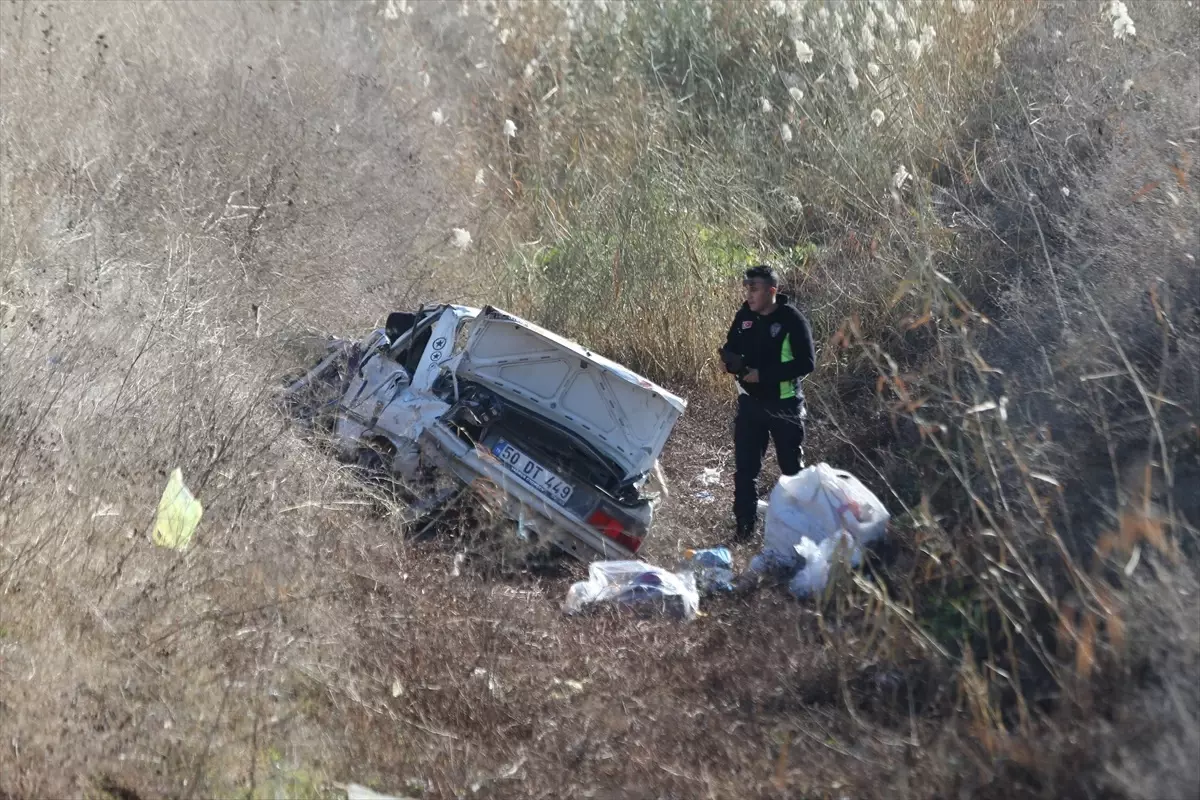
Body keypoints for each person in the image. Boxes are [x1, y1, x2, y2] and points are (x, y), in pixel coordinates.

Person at [719, 265, 816, 542]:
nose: (748, 294)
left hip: (785, 408)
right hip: (750, 405)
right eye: (746, 288)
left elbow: (807, 363)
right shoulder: (744, 315)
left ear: (771, 291)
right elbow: (732, 345)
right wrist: (730, 360)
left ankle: (800, 532)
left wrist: (764, 375)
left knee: (791, 473)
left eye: (754, 289)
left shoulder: (792, 320)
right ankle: (743, 533)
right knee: (746, 471)